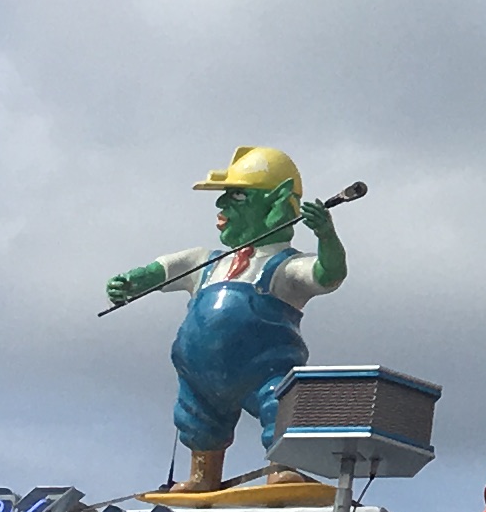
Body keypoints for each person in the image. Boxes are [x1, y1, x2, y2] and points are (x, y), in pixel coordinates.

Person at [106, 146, 348, 494]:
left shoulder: (285, 267)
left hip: (265, 371)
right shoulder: (205, 262)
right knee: (197, 419)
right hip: (199, 376)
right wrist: (130, 283)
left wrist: (326, 235)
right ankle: (203, 474)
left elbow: (329, 274)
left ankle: (281, 467)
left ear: (276, 204)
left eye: (237, 197)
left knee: (279, 406)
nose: (221, 206)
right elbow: (159, 271)